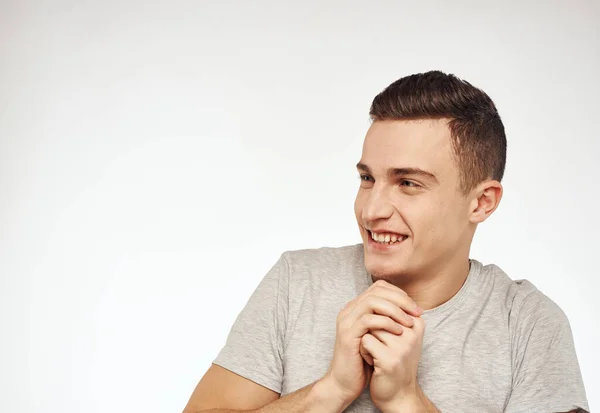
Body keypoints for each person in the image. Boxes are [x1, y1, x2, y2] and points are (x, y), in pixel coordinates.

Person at [182, 71, 589, 413]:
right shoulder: (297, 282)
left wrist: (407, 400)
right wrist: (330, 391)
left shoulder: (529, 324)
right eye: (367, 178)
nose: (372, 209)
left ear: (481, 203)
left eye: (407, 183)